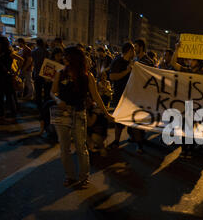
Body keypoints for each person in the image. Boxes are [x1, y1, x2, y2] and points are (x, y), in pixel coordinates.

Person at [50, 46, 114, 188]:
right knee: (64, 147)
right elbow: (52, 92)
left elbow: (96, 96)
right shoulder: (60, 73)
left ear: (73, 59)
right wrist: (58, 100)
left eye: (66, 56)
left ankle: (84, 177)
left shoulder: (87, 76)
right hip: (62, 113)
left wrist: (106, 113)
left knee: (81, 146)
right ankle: (70, 176)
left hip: (79, 113)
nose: (63, 59)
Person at [108, 42, 141, 151]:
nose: (135, 52)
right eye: (133, 50)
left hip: (131, 96)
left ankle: (139, 144)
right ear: (129, 51)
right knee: (119, 120)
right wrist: (127, 71)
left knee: (134, 120)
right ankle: (116, 141)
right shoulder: (117, 62)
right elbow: (112, 76)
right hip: (120, 95)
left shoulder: (133, 63)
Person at [0, 36, 23, 123]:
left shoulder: (9, 52)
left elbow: (21, 60)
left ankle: (13, 116)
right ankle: (1, 115)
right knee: (0, 97)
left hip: (6, 77)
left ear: (1, 43)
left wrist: (16, 73)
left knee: (9, 97)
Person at [32, 38, 51, 132]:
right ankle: (45, 105)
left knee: (38, 91)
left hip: (37, 73)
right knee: (46, 91)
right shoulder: (47, 52)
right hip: (45, 73)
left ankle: (39, 106)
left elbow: (33, 62)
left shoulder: (34, 52)